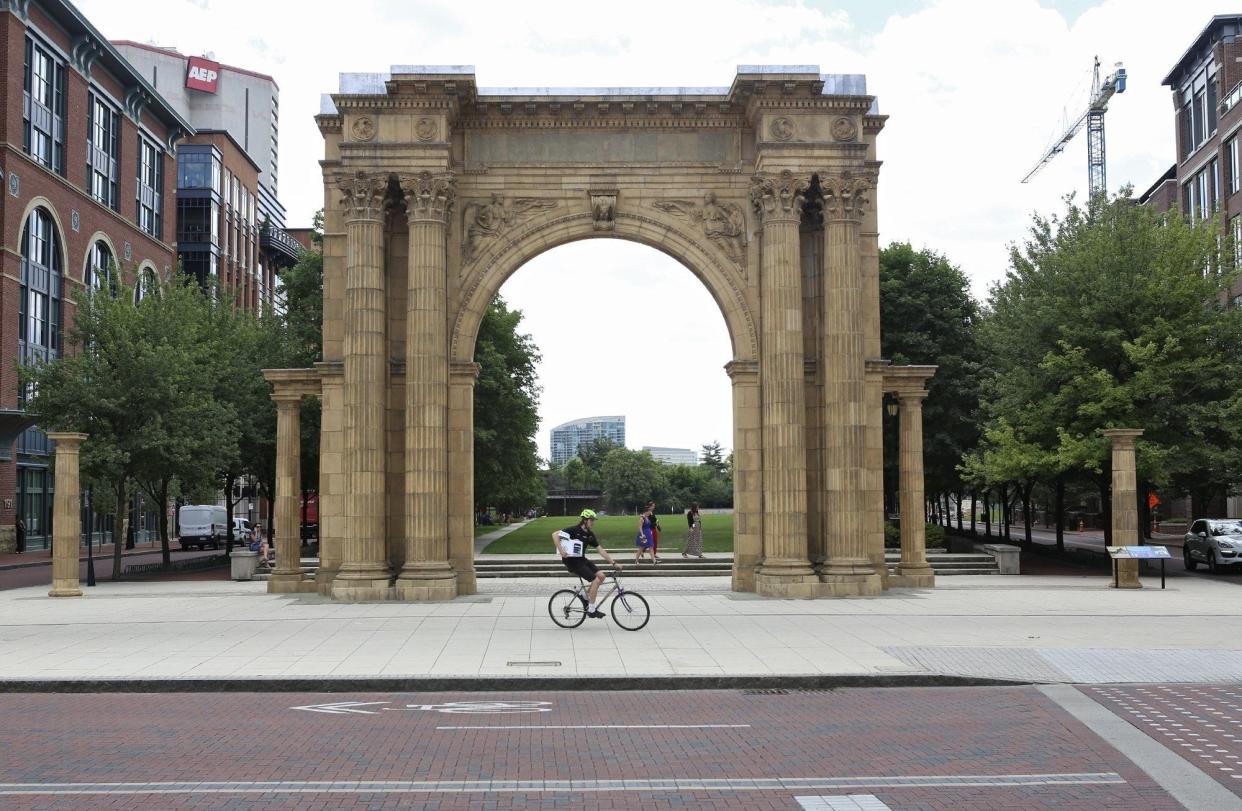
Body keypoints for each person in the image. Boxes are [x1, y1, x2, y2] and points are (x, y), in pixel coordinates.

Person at [553, 509, 619, 618]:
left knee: (601, 576)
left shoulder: (589, 534)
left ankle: (584, 596)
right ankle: (592, 610)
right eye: (591, 520)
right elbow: (555, 534)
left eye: (593, 520)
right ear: (584, 520)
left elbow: (600, 549)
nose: (593, 522)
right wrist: (561, 550)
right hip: (572, 562)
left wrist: (613, 563)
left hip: (582, 560)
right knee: (595, 581)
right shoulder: (574, 530)